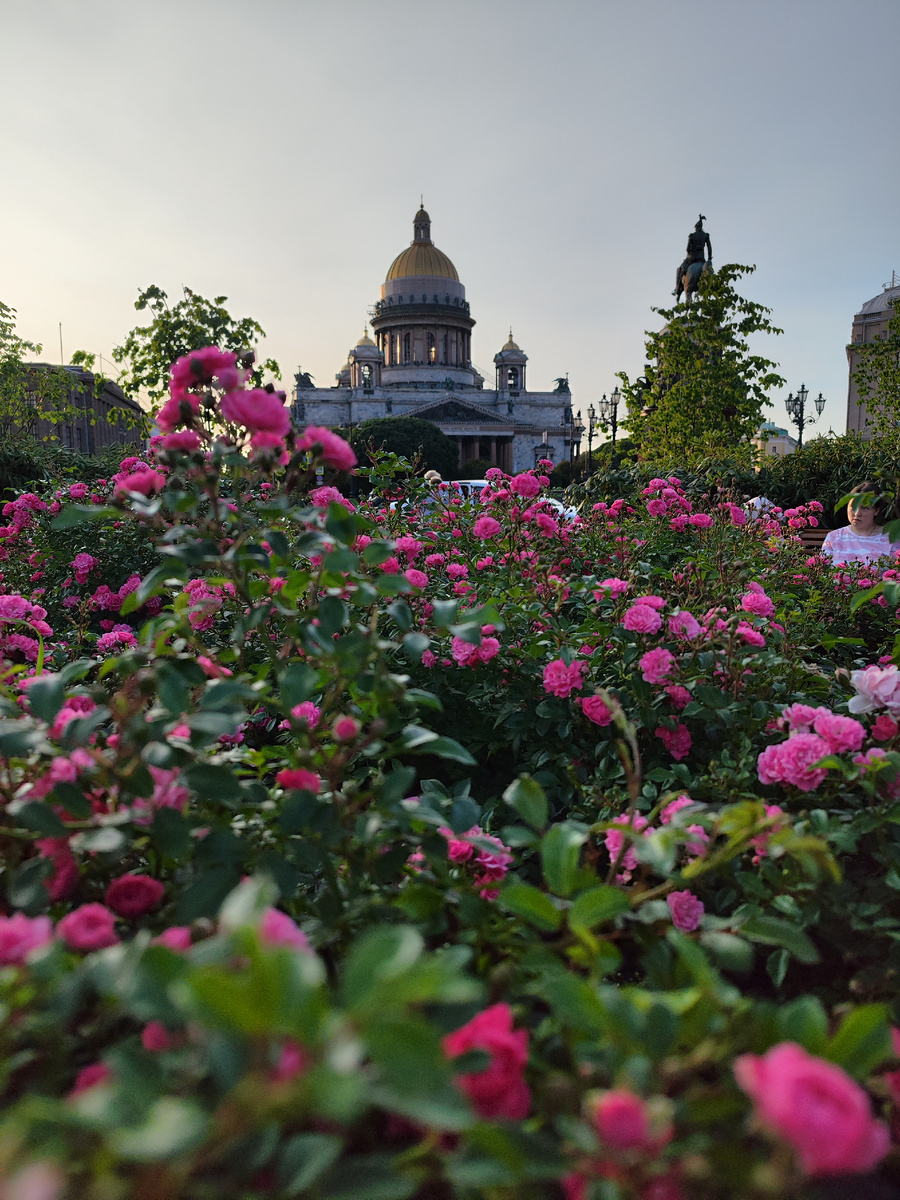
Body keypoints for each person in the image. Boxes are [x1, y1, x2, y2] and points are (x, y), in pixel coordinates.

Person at [821, 481, 899, 565]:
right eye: (853, 506)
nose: (857, 513)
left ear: (876, 511)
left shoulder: (891, 539)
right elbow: (821, 571)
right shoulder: (834, 537)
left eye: (865, 508)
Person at [674, 215, 713, 297]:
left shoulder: (692, 236)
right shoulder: (705, 235)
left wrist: (690, 251)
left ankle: (677, 290)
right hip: (702, 259)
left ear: (696, 228)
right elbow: (709, 247)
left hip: (692, 259)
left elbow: (687, 249)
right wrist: (709, 258)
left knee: (679, 270)